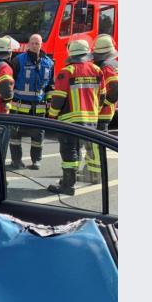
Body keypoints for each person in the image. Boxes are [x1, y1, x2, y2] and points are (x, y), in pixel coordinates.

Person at [46, 39, 106, 195]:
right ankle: (71, 179)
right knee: (80, 149)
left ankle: (68, 185)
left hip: (70, 120)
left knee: (69, 152)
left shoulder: (68, 71)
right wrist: (95, 112)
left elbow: (58, 98)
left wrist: (52, 115)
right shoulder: (97, 70)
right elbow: (102, 95)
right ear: (86, 53)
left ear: (70, 54)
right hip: (91, 120)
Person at [8, 34, 54, 170]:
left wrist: (50, 100)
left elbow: (51, 85)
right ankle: (16, 160)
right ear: (28, 44)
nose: (35, 46)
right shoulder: (18, 60)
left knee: (38, 136)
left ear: (41, 45)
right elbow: (10, 81)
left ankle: (36, 161)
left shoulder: (49, 63)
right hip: (19, 105)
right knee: (15, 135)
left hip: (39, 107)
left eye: (37, 43)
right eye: (32, 43)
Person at [92, 34, 118, 132]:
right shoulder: (114, 64)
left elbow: (116, 89)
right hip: (108, 111)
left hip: (102, 112)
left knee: (98, 143)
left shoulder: (106, 66)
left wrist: (104, 103)